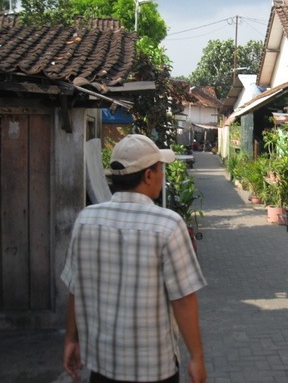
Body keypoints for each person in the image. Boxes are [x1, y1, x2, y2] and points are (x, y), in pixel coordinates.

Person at [61, 134, 207, 383]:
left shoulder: (86, 219)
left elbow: (76, 287)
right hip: (153, 368)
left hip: (102, 363)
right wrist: (196, 357)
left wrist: (71, 339)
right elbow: (183, 298)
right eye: (160, 169)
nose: (163, 175)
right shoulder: (168, 224)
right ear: (148, 175)